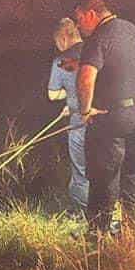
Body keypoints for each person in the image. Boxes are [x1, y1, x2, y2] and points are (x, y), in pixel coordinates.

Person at [71, 0, 135, 235]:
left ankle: (98, 234)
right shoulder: (131, 29)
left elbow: (86, 78)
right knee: (132, 171)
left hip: (113, 117)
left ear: (92, 14)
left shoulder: (97, 39)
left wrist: (85, 110)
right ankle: (133, 228)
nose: (77, 25)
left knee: (103, 176)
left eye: (79, 18)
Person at [46, 16, 89, 210]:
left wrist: (69, 95)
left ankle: (84, 215)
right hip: (106, 118)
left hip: (80, 122)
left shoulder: (62, 60)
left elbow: (53, 95)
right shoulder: (95, 50)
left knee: (80, 173)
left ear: (63, 39)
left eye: (57, 43)